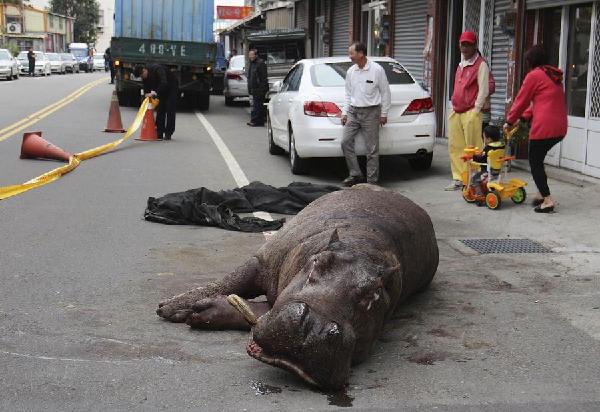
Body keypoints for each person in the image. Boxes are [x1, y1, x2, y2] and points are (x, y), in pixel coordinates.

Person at [504, 45, 567, 213]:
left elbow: (521, 100)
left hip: (544, 128)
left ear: (529, 62)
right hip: (560, 128)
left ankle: (547, 200)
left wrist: (509, 121)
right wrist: (523, 118)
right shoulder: (552, 76)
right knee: (538, 159)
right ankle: (541, 193)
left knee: (535, 161)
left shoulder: (534, 75)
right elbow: (539, 102)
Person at [340, 42, 391, 186]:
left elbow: (385, 92)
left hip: (371, 112)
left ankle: (372, 182)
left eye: (352, 53)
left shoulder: (377, 70)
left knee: (372, 149)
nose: (350, 57)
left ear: (361, 54)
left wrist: (384, 113)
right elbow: (348, 94)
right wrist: (345, 112)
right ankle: (355, 174)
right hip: (353, 112)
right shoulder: (351, 71)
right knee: (345, 142)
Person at [446, 31, 491, 191]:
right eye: (462, 44)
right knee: (455, 146)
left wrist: (476, 109)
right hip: (456, 110)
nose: (464, 48)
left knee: (472, 147)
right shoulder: (461, 64)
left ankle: (474, 179)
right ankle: (459, 178)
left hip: (470, 112)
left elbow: (484, 89)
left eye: (468, 44)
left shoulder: (481, 64)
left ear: (474, 46)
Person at [134, 64, 179, 140]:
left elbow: (164, 82)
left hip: (171, 86)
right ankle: (159, 132)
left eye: (142, 75)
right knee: (160, 109)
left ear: (144, 70)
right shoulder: (145, 78)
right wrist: (147, 96)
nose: (142, 78)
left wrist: (155, 93)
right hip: (160, 89)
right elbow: (146, 90)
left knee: (170, 108)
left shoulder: (158, 69)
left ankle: (169, 133)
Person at [470, 125, 504, 196]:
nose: (483, 139)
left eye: (484, 137)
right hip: (498, 171)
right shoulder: (502, 146)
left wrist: (474, 157)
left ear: (489, 139)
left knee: (474, 179)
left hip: (487, 171)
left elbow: (482, 160)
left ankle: (479, 194)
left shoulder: (488, 148)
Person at [246, 49, 268, 127]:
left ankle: (255, 121)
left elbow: (263, 77)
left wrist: (262, 88)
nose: (250, 56)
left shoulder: (260, 63)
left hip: (259, 88)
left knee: (257, 105)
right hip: (254, 88)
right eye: (249, 55)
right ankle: (259, 121)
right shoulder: (252, 64)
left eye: (252, 55)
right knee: (257, 105)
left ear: (256, 55)